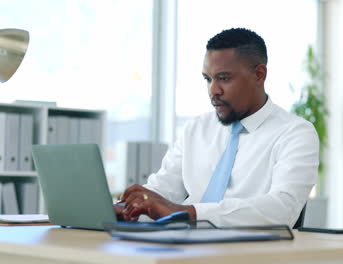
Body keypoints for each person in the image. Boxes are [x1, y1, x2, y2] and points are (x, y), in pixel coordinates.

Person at [115, 28, 319, 227]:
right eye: (208, 79)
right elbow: (162, 192)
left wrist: (189, 213)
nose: (213, 90)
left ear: (259, 75)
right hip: (183, 249)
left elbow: (282, 209)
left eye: (224, 78)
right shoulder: (195, 129)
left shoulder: (296, 133)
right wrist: (130, 208)